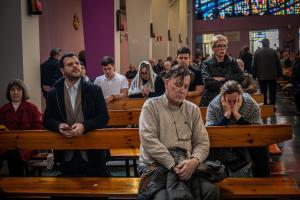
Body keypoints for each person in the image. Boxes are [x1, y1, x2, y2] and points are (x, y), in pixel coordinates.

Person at [138, 65, 219, 199]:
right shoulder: (151, 106)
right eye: (179, 84)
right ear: (166, 82)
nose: (182, 90)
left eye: (186, 86)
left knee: (211, 191)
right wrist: (173, 164)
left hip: (187, 166)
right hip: (157, 166)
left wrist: (194, 161)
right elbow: (148, 140)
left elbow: (202, 142)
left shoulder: (193, 109)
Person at [43, 52, 109, 177]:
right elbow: (47, 119)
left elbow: (103, 117)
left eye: (77, 63)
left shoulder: (94, 90)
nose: (75, 66)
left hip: (91, 151)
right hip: (66, 152)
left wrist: (84, 126)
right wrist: (58, 125)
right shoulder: (53, 93)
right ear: (62, 70)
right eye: (70, 64)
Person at [206, 80, 270, 177]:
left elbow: (257, 130)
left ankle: (261, 179)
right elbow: (209, 131)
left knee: (261, 146)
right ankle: (211, 175)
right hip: (222, 142)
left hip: (246, 141)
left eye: (234, 101)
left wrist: (237, 115)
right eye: (228, 101)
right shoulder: (214, 105)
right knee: (207, 147)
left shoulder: (250, 104)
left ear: (240, 96)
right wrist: (227, 115)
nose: (231, 105)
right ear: (222, 98)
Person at [0, 79, 42, 176]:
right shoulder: (3, 109)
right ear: (9, 92)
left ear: (23, 92)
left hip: (27, 145)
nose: (15, 92)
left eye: (18, 90)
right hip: (7, 145)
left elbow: (38, 128)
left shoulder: (32, 108)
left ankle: (15, 185)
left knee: (14, 156)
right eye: (12, 90)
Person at [200, 34, 244, 106]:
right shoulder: (206, 63)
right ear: (213, 48)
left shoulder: (232, 61)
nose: (222, 48)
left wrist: (222, 79)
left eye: (224, 45)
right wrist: (230, 80)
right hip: (212, 99)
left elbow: (241, 77)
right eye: (219, 46)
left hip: (231, 98)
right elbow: (208, 83)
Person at [252, 38, 282, 105]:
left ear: (262, 43)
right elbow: (278, 64)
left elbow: (254, 65)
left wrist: (254, 75)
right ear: (269, 43)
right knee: (273, 92)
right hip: (273, 76)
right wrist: (280, 74)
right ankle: (272, 106)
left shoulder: (257, 52)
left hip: (261, 76)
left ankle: (265, 106)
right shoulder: (274, 52)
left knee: (263, 92)